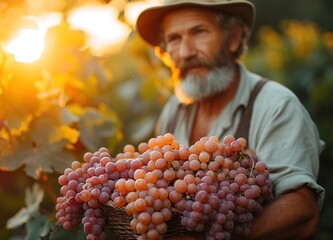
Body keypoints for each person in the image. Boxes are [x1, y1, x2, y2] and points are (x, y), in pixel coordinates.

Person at [135, 0, 325, 239]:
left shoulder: (277, 106)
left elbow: (303, 213)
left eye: (199, 32)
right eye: (174, 38)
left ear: (233, 37)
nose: (186, 52)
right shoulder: (174, 110)